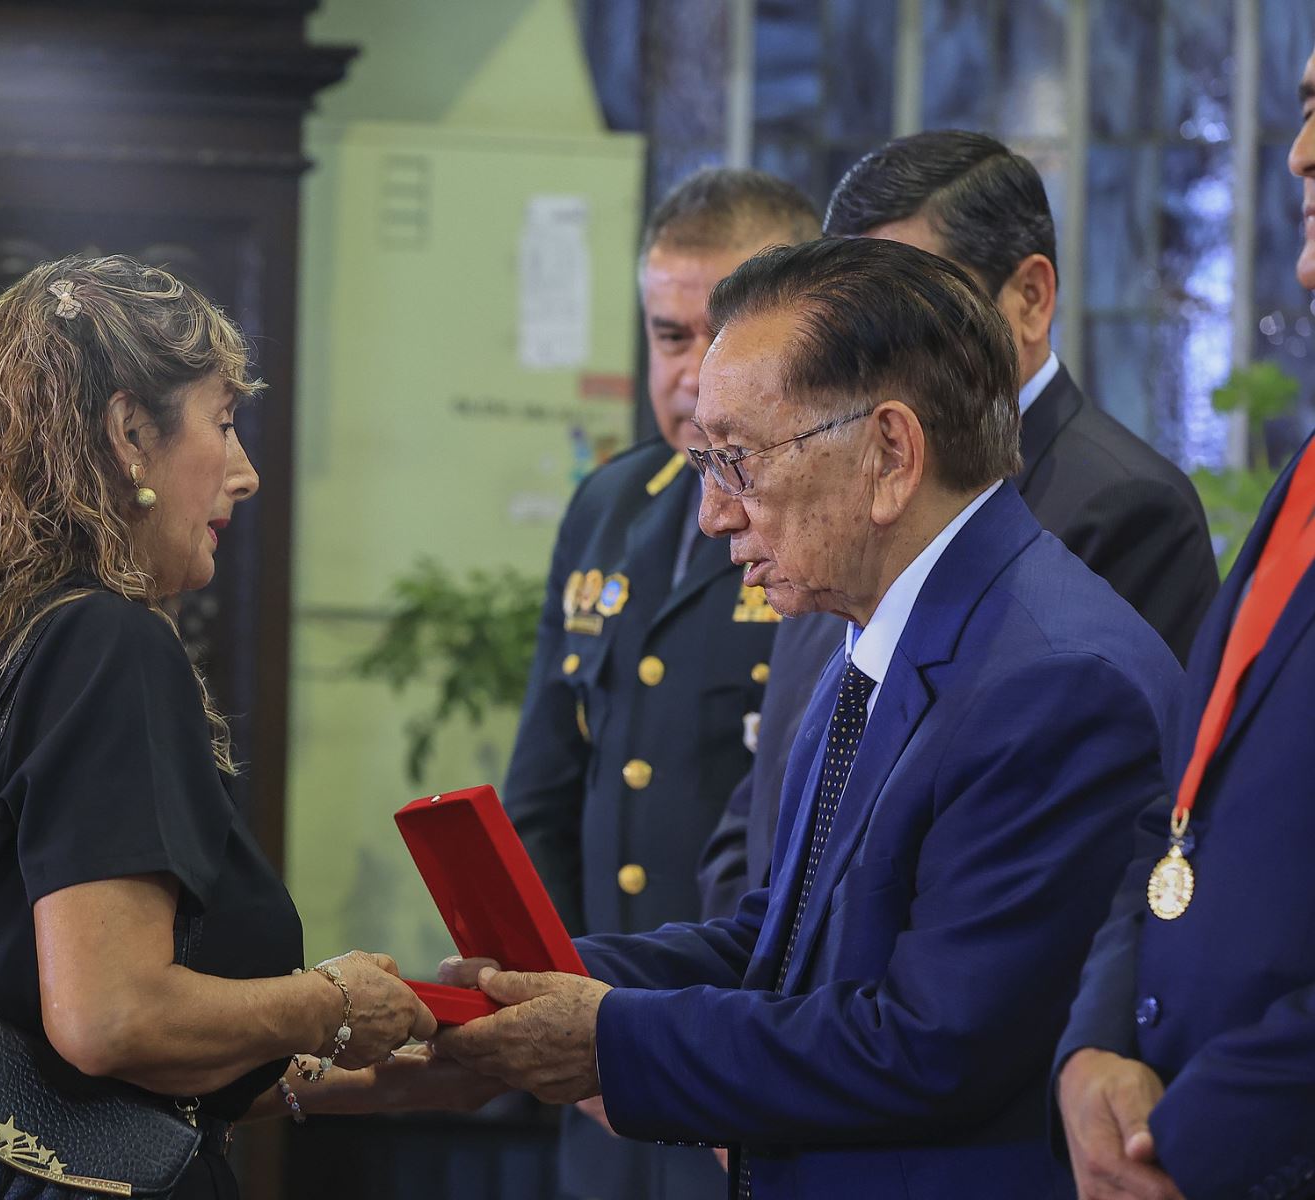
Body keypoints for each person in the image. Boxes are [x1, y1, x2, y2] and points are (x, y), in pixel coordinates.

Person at [434, 236, 1184, 1199]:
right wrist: (535, 980)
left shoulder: (1056, 682)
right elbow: (783, 942)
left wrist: (606, 1038)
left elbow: (926, 1047)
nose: (712, 515)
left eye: (736, 461)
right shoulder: (877, 633)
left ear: (890, 454)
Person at [0, 255, 465, 1200]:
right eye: (226, 420)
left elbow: (53, 1073)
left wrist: (372, 1080)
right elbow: (109, 1019)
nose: (244, 473)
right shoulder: (104, 642)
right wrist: (330, 1001)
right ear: (129, 432)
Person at [698, 131, 1219, 926]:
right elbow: (780, 782)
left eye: (909, 295)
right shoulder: (821, 511)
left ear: (1031, 299)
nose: (862, 338)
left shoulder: (1117, 508)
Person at [501, 167, 820, 1200]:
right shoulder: (611, 506)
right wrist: (553, 1008)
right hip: (600, 1081)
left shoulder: (821, 528)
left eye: (715, 337)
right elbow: (545, 796)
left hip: (742, 1067)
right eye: (667, 336)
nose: (687, 376)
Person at [1054, 45, 1315, 1200]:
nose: (1301, 152)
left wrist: (1196, 1140)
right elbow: (1185, 810)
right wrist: (1100, 1047)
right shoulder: (1304, 472)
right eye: (1303, 111)